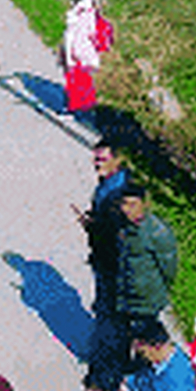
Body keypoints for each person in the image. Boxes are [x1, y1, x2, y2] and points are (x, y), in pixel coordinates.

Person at [75, 143, 132, 352]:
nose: (95, 164)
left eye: (101, 160)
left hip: (111, 262)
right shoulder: (110, 180)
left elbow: (116, 231)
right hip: (103, 257)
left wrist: (93, 227)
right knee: (105, 307)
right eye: (95, 158)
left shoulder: (119, 193)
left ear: (116, 160)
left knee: (110, 309)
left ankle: (110, 354)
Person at [112, 184, 179, 358]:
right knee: (128, 335)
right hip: (126, 295)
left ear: (144, 204)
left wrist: (156, 290)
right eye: (123, 204)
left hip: (147, 300)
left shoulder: (158, 232)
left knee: (149, 339)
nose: (126, 209)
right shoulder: (123, 227)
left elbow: (169, 268)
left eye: (132, 204)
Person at [61, 0, 105, 125]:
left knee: (74, 80)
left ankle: (73, 108)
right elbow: (92, 32)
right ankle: (87, 108)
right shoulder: (91, 12)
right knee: (86, 81)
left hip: (76, 52)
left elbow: (69, 36)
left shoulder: (74, 15)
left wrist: (68, 57)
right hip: (88, 52)